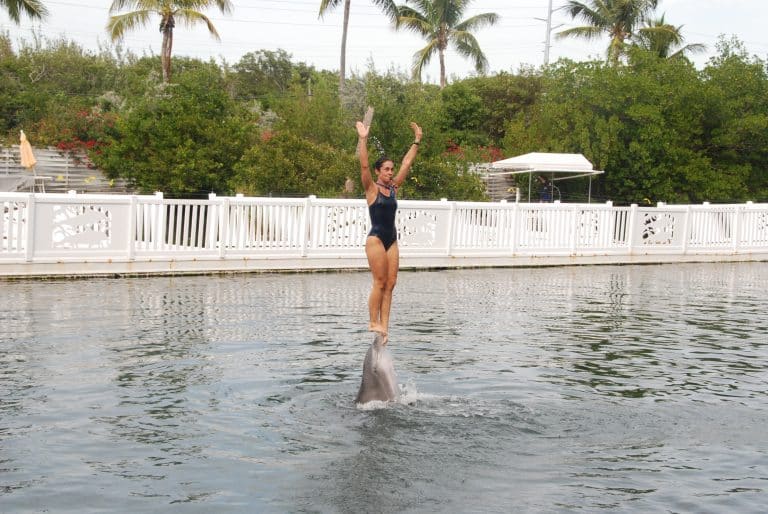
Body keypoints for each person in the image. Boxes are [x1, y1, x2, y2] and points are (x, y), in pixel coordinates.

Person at [356, 120, 422, 340]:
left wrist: (416, 141)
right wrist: (363, 138)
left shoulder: (393, 188)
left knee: (391, 284)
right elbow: (363, 165)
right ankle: (373, 321)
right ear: (377, 171)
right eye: (386, 169)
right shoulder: (371, 188)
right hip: (375, 239)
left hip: (391, 239)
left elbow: (406, 164)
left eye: (391, 169)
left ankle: (384, 327)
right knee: (380, 282)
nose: (390, 172)